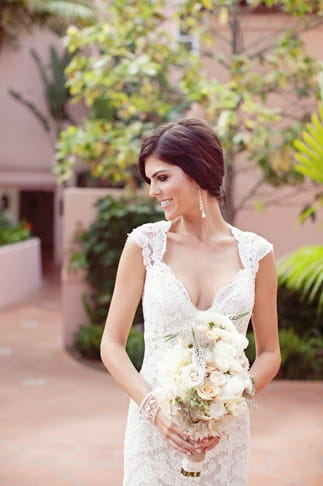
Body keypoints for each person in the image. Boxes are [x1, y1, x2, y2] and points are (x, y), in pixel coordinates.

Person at [100, 118, 281, 485]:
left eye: (162, 178)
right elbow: (112, 345)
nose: (153, 191)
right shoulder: (145, 245)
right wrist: (155, 410)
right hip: (153, 430)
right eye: (150, 180)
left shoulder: (256, 254)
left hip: (223, 437)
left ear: (198, 170)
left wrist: (229, 404)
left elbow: (269, 353)